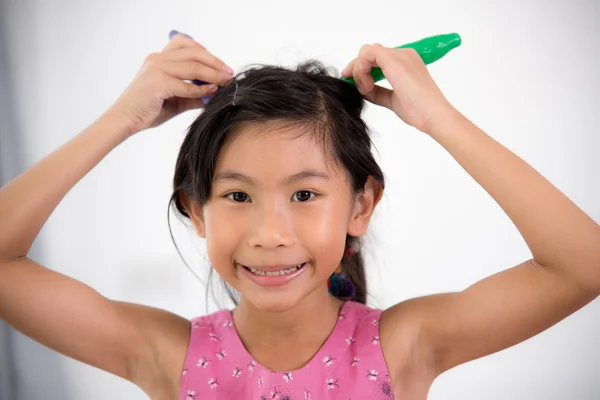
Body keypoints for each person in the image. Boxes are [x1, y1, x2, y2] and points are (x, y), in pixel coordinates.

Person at [0, 32, 599, 400]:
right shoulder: (164, 354)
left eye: (305, 194)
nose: (270, 234)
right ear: (195, 210)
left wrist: (439, 120)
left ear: (360, 205)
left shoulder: (406, 346)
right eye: (237, 196)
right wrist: (120, 120)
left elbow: (583, 265)